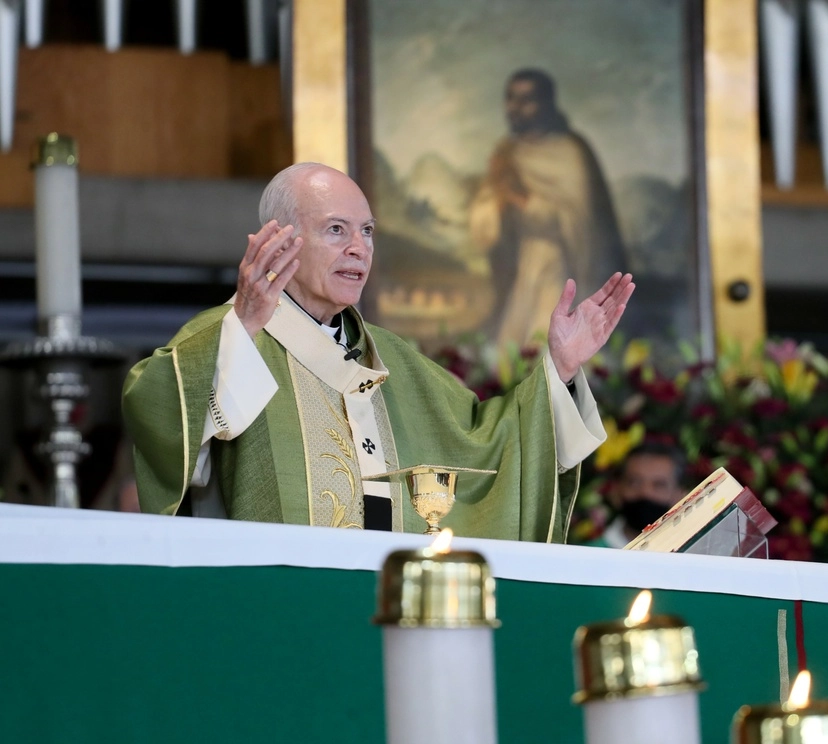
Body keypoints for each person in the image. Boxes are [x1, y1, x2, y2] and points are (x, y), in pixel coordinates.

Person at [122, 162, 634, 542]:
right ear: (281, 242)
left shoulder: (391, 358)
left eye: (367, 232)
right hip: (285, 606)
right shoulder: (232, 334)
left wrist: (561, 368)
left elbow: (487, 446)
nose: (359, 249)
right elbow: (159, 418)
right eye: (337, 230)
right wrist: (245, 327)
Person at [469, 68, 628, 348]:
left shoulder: (569, 152)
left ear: (546, 103)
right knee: (514, 348)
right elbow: (484, 218)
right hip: (522, 268)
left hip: (559, 266)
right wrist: (497, 203)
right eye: (511, 99)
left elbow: (575, 220)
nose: (515, 108)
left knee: (548, 339)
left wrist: (517, 198)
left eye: (526, 100)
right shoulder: (507, 153)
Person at [593, 442, 689, 549]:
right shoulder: (587, 556)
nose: (645, 492)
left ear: (680, 495)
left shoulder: (694, 555)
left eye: (659, 485)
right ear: (616, 491)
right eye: (635, 483)